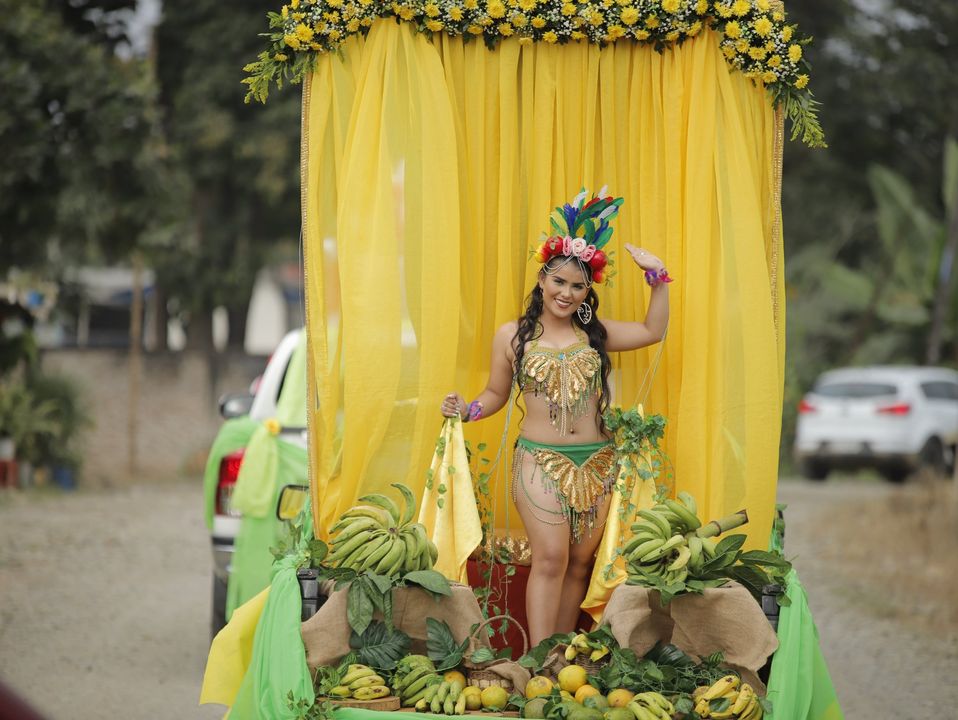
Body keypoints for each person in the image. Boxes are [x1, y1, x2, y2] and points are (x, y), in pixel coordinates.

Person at [440, 188, 670, 644]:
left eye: (577, 286)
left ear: (587, 291)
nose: (566, 293)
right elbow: (495, 393)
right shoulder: (513, 336)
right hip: (539, 461)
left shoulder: (594, 334)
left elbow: (652, 330)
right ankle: (536, 663)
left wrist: (657, 277)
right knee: (550, 559)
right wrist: (466, 410)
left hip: (599, 462)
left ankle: (559, 656)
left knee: (580, 563)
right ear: (542, 279)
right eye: (559, 282)